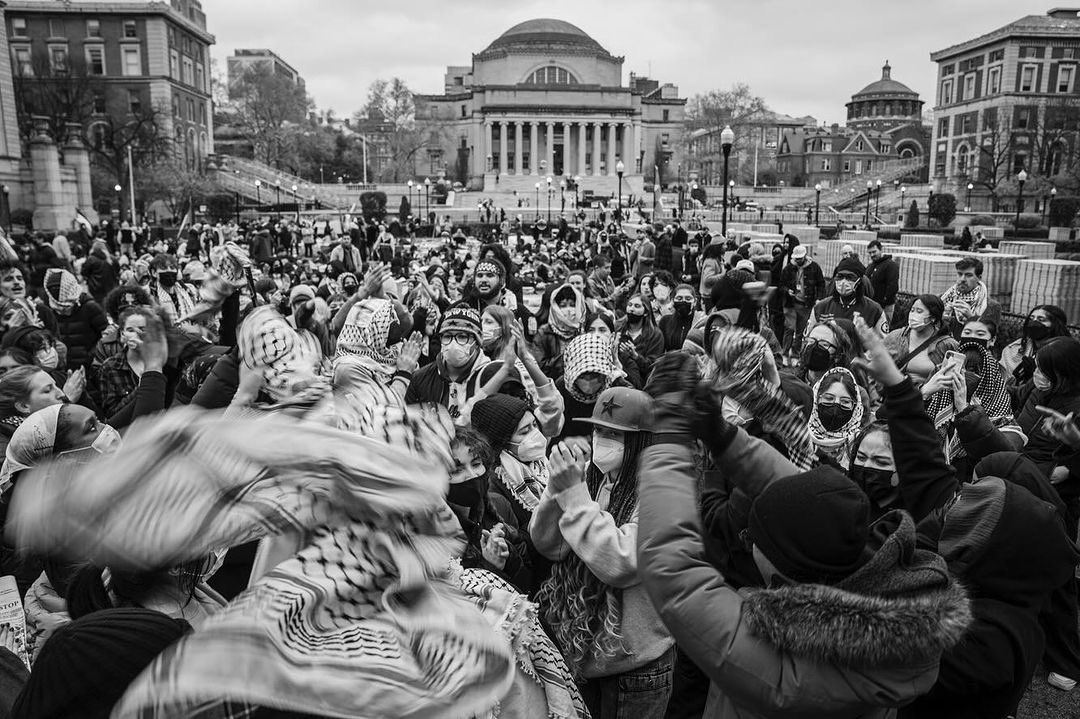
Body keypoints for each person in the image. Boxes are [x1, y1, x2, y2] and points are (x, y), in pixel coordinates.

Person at [638, 373, 972, 718]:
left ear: (778, 563)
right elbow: (801, 499)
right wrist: (721, 436)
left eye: (754, 536)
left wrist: (668, 437)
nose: (747, 538)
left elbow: (672, 570)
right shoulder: (876, 592)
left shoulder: (778, 660)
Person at [849, 314, 1080, 714]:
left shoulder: (988, 647)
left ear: (982, 551)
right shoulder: (991, 546)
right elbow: (930, 473)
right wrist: (899, 387)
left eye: (966, 497)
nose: (957, 493)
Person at [532, 389, 674, 718]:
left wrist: (575, 497)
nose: (601, 440)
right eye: (598, 431)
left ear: (642, 442)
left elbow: (621, 562)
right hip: (587, 655)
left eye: (613, 434)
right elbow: (551, 545)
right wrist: (557, 489)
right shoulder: (596, 480)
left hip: (636, 667)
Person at [404, 304, 495, 423]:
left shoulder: (492, 377)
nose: (453, 343)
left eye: (462, 337)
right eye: (447, 336)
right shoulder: (421, 378)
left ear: (477, 342)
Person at [882, 295, 960, 388]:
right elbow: (877, 364)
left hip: (927, 399)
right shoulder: (895, 337)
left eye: (919, 311)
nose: (913, 315)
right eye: (912, 310)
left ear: (933, 317)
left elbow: (953, 379)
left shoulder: (947, 345)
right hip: (896, 396)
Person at [43, 268, 107, 372]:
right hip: (62, 368)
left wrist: (92, 355)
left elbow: (106, 334)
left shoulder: (90, 307)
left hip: (90, 367)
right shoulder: (49, 310)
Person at [806, 255, 887, 337]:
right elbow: (808, 339)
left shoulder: (874, 310)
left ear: (859, 281)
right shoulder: (821, 307)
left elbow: (884, 343)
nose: (843, 282)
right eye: (840, 277)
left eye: (850, 277)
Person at [808, 366, 866, 468]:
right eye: (829, 398)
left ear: (855, 406)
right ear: (816, 399)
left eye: (845, 401)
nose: (836, 406)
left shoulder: (861, 445)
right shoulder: (799, 434)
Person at [1000, 304, 1069, 387]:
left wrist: (1034, 376)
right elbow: (1001, 378)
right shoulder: (1014, 348)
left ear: (1055, 325)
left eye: (1041, 319)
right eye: (1031, 319)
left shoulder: (1064, 353)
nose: (1034, 323)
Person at [778, 244, 825, 359]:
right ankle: (784, 353)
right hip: (791, 303)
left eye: (800, 258)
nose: (798, 261)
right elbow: (781, 284)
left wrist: (819, 298)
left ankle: (795, 354)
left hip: (806, 304)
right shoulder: (788, 268)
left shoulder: (814, 267)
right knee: (789, 328)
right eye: (796, 259)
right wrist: (787, 291)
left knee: (801, 330)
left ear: (805, 256)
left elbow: (821, 284)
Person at [532, 284, 585, 380]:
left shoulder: (582, 332)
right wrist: (567, 356)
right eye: (563, 306)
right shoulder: (544, 333)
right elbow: (539, 367)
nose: (568, 310)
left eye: (573, 305)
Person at [940, 257, 1001, 338]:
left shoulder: (991, 306)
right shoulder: (945, 298)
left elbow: (990, 337)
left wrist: (971, 318)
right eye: (959, 274)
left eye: (968, 275)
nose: (962, 279)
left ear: (979, 278)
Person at [616, 294, 663, 383]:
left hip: (640, 381)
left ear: (646, 312)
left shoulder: (655, 334)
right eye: (629, 305)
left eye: (637, 306)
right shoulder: (618, 327)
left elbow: (653, 366)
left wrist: (636, 356)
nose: (631, 309)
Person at [659, 284, 701, 352]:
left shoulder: (700, 322)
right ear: (672, 301)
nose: (683, 301)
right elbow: (660, 349)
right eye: (679, 298)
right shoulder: (665, 321)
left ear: (695, 302)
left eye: (688, 299)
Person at [866, 240, 899, 324]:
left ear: (881, 250)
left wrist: (884, 301)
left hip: (885, 307)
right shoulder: (870, 266)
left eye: (874, 252)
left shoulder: (890, 265)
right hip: (872, 305)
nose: (872, 255)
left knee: (884, 328)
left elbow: (893, 286)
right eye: (870, 253)